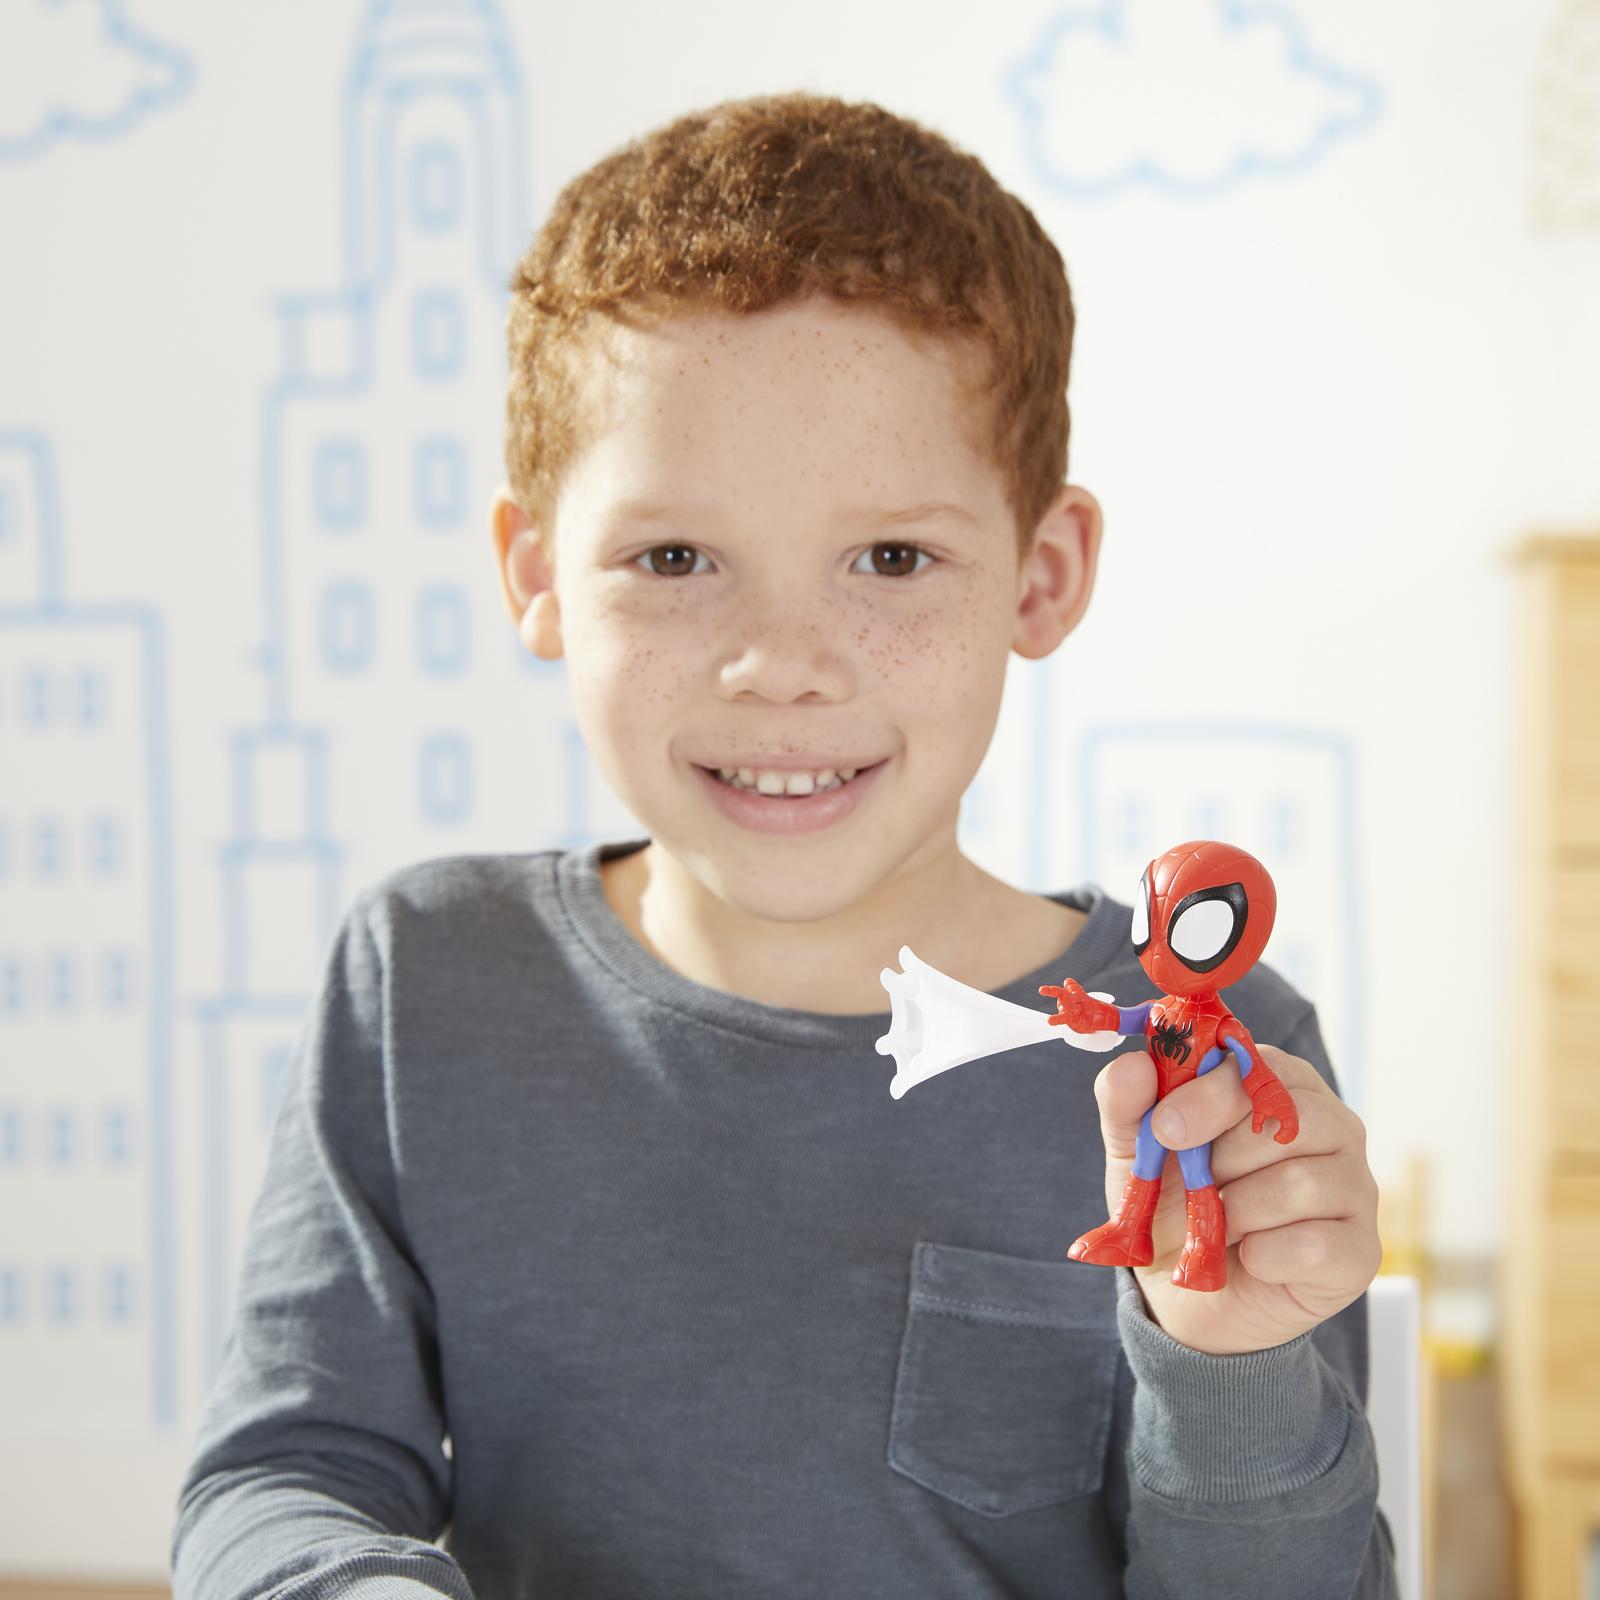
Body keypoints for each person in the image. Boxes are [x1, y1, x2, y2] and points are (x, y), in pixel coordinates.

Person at [170, 91, 1397, 1597]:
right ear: (537, 574)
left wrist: (1236, 1365)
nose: (781, 661)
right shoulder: (428, 983)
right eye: (674, 559)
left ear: (1044, 574)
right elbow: (284, 1472)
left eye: (891, 557)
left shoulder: (1217, 1070)